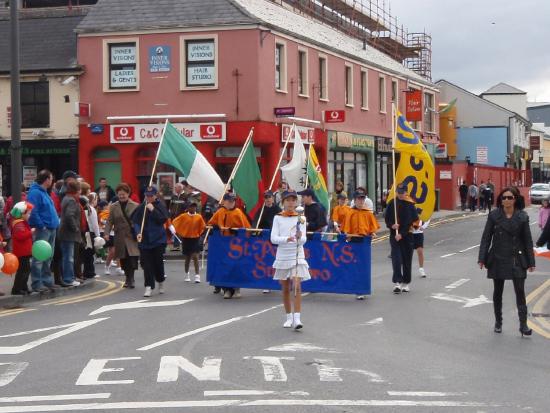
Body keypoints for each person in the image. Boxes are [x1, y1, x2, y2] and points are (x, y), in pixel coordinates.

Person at [479, 186, 535, 336]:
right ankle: (498, 322)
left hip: (517, 257)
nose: (506, 200)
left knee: (520, 292)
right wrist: (482, 258)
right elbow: (486, 238)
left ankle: (523, 325)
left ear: (515, 199)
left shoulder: (522, 217)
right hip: (497, 257)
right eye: (504, 197)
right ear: (501, 200)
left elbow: (528, 240)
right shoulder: (494, 216)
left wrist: (531, 262)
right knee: (498, 291)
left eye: (509, 197)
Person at [270, 190, 310, 329]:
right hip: (283, 255)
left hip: (297, 254)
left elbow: (304, 239)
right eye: (288, 200)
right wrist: (286, 239)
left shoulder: (301, 218)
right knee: (286, 288)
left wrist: (300, 236)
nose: (291, 203)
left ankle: (297, 319)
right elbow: (273, 238)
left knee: (297, 285)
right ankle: (288, 317)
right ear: (283, 202)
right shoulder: (278, 218)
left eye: (293, 200)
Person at [207, 192, 251, 298]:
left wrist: (238, 232)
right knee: (224, 266)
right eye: (229, 200)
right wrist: (215, 227)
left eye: (233, 201)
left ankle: (236, 288)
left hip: (235, 244)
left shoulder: (238, 212)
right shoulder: (220, 211)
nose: (232, 203)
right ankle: (227, 289)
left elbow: (246, 228)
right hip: (223, 243)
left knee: (235, 266)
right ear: (224, 201)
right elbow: (210, 223)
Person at [131, 185, 170, 297]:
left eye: (151, 196)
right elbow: (136, 222)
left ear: (155, 195)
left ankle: (160, 281)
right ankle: (148, 286)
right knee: (147, 265)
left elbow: (163, 219)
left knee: (158, 263)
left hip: (158, 240)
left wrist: (153, 210)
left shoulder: (160, 206)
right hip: (145, 241)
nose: (148, 198)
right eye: (147, 196)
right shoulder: (141, 207)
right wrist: (138, 233)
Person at [342, 189, 380, 300]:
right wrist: (347, 234)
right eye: (359, 198)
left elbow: (372, 227)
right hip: (353, 242)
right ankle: (357, 289)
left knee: (364, 266)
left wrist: (372, 232)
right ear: (355, 200)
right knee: (355, 266)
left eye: (363, 198)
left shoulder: (367, 213)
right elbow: (346, 228)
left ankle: (363, 289)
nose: (361, 201)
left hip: (364, 243)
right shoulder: (350, 212)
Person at [26, 169, 60, 291]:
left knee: (48, 256)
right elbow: (33, 211)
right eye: (51, 179)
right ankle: (36, 283)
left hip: (50, 227)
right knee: (39, 257)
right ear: (46, 180)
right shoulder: (35, 193)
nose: (52, 181)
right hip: (44, 228)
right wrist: (41, 225)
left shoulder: (43, 192)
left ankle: (46, 281)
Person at [384, 183, 419, 294]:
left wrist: (402, 234)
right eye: (398, 192)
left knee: (406, 260)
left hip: (407, 236)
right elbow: (387, 219)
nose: (400, 194)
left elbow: (414, 222)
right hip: (394, 236)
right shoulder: (392, 203)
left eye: (402, 192)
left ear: (406, 192)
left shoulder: (410, 205)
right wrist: (392, 225)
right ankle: (397, 282)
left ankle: (406, 282)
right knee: (396, 259)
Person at [104, 183, 140, 289]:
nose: (121, 196)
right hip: (119, 235)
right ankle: (127, 278)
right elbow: (109, 221)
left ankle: (131, 278)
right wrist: (106, 233)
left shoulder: (135, 206)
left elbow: (139, 221)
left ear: (128, 194)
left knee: (132, 258)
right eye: (119, 194)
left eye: (123, 194)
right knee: (123, 259)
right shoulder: (114, 206)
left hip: (131, 235)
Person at [172, 202, 206, 283]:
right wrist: (181, 231)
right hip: (186, 239)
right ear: (188, 208)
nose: (193, 208)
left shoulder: (199, 216)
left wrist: (199, 234)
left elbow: (203, 226)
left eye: (194, 207)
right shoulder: (183, 216)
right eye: (191, 207)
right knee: (188, 258)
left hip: (195, 239)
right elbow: (175, 222)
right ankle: (187, 273)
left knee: (195, 257)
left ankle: (197, 275)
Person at [58, 180, 83, 287]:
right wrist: (76, 228)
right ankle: (68, 278)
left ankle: (69, 277)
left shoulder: (66, 198)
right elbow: (69, 216)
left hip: (64, 233)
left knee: (67, 256)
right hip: (69, 233)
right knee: (69, 257)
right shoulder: (72, 201)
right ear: (77, 190)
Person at [10, 201, 34, 295]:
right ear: (22, 213)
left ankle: (23, 287)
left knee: (25, 270)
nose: (29, 215)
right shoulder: (19, 224)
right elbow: (21, 236)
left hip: (24, 251)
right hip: (21, 252)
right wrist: (31, 232)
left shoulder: (21, 223)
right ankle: (17, 289)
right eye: (28, 213)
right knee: (23, 270)